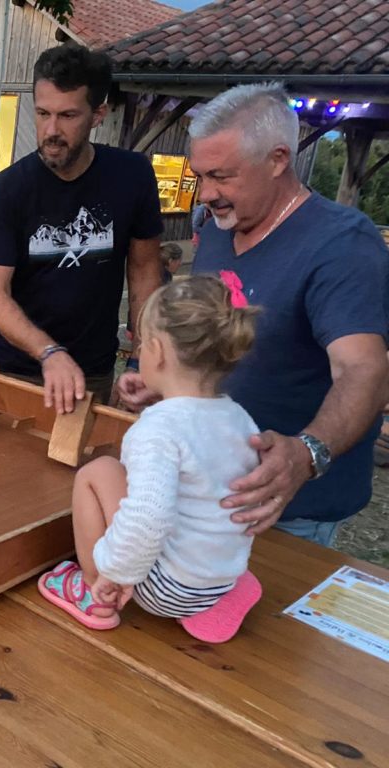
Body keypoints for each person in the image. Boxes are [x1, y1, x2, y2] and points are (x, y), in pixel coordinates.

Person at [118, 83, 389, 547]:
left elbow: (365, 369)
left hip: (287, 506)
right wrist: (168, 382)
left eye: (221, 176)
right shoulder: (218, 228)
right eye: (200, 175)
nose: (205, 193)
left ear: (278, 159)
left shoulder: (342, 244)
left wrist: (307, 453)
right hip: (209, 493)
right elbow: (215, 338)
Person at [40, 276, 263, 642]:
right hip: (222, 576)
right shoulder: (239, 417)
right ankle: (214, 601)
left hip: (163, 589)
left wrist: (115, 575)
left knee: (98, 471)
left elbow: (147, 516)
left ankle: (91, 589)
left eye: (140, 343)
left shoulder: (157, 429)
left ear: (156, 352)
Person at [0, 43, 163, 415]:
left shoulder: (133, 176)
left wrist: (141, 359)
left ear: (98, 114)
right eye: (42, 113)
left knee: (80, 472)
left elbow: (144, 271)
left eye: (67, 116)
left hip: (91, 373)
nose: (51, 130)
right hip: (11, 370)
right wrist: (49, 351)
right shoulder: (9, 189)